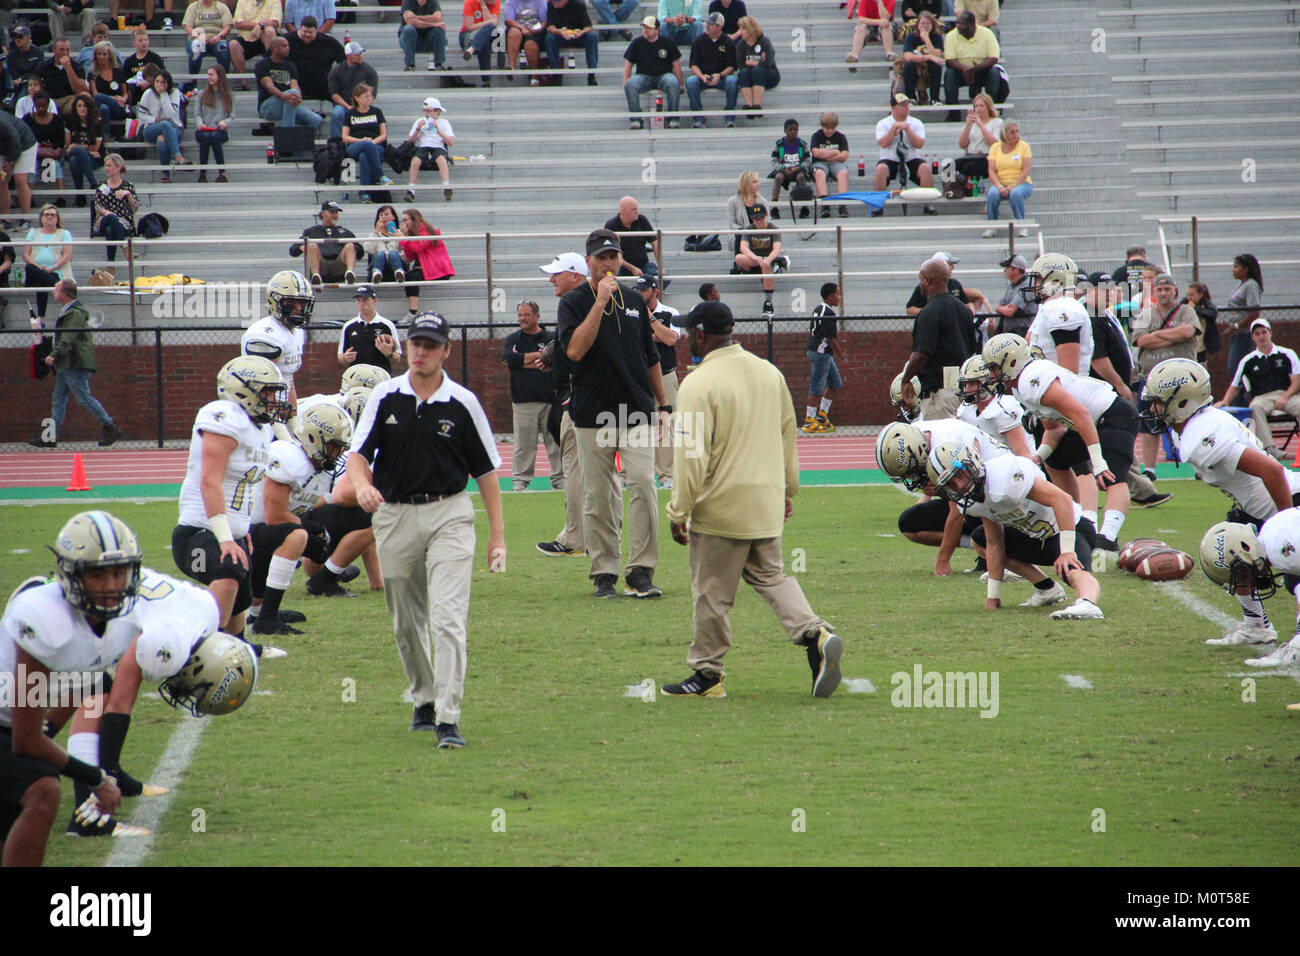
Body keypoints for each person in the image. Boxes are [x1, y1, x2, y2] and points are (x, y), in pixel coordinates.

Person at [661, 299, 843, 699]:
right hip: (764, 500)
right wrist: (786, 490)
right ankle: (814, 634)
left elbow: (692, 456)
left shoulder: (697, 383)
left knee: (712, 592)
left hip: (720, 506)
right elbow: (787, 436)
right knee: (770, 576)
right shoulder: (768, 373)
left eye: (690, 332)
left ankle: (708, 674)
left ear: (701, 335)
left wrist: (679, 508)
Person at [347, 312, 506, 749]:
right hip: (395, 515)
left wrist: (497, 536)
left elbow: (488, 473)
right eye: (416, 343)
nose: (420, 351)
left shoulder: (463, 403)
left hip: (449, 514)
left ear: (446, 351)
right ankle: (423, 696)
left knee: (448, 618)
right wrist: (362, 486)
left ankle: (448, 718)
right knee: (405, 620)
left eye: (430, 345)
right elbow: (359, 454)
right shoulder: (385, 396)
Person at [0, 511, 140, 864]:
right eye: (97, 574)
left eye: (117, 572)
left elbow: (85, 684)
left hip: (10, 727)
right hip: (10, 728)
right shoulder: (44, 618)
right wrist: (95, 778)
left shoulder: (120, 621)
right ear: (71, 575)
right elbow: (26, 739)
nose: (110, 586)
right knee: (42, 789)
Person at [1141, 358, 1299, 645]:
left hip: (1288, 499)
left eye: (1158, 402)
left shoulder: (1202, 434)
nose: (1152, 409)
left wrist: (1286, 520)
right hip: (1260, 505)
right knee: (1229, 550)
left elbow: (1271, 469)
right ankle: (1256, 627)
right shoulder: (1193, 427)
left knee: (1294, 565)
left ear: (1182, 401)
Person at [557, 227, 669, 599]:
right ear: (588, 261)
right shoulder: (573, 302)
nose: (608, 264)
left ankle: (640, 570)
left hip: (635, 409)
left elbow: (650, 357)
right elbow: (574, 351)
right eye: (601, 258)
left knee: (642, 484)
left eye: (613, 257)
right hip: (592, 413)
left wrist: (664, 404)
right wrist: (599, 303)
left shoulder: (636, 300)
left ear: (621, 259)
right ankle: (604, 571)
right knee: (597, 495)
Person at [982, 332, 1137, 553]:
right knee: (1055, 459)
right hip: (1087, 422)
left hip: (1112, 414)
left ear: (1012, 362)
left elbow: (1080, 414)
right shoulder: (1019, 387)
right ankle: (1078, 519)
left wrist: (1097, 461)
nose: (991, 374)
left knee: (1112, 474)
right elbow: (1054, 429)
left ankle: (1107, 538)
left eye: (994, 368)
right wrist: (1036, 459)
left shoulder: (1031, 379)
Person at [173, 355, 288, 643]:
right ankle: (205, 645)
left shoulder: (260, 428)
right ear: (242, 389)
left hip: (229, 532)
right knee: (230, 567)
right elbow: (210, 481)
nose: (273, 399)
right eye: (267, 391)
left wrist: (242, 529)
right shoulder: (223, 415)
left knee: (243, 594)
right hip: (197, 532)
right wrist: (225, 538)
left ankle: (239, 648)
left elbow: (243, 485)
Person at [928, 438, 1105, 620]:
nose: (959, 486)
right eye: (951, 484)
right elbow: (994, 542)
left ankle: (1087, 603)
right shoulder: (971, 502)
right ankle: (1047, 589)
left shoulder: (1005, 476)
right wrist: (993, 596)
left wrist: (1067, 551)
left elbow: (1062, 499)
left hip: (1070, 527)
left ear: (972, 462)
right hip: (1036, 536)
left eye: (959, 476)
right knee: (979, 539)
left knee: (1072, 570)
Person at [246, 402, 354, 634]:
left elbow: (300, 510)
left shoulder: (319, 470)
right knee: (297, 536)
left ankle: (258, 614)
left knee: (305, 535)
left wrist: (317, 532)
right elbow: (274, 516)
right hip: (245, 532)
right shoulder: (289, 457)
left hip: (261, 531)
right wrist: (310, 530)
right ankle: (266, 618)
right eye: (335, 446)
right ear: (315, 439)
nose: (340, 452)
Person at [535, 251, 604, 558]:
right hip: (599, 398)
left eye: (557, 273)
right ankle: (601, 538)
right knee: (601, 474)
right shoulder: (599, 301)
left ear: (576, 275)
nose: (551, 278)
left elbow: (578, 346)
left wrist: (568, 392)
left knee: (576, 470)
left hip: (580, 401)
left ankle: (576, 537)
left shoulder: (576, 303)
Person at [26, 280, 123, 448]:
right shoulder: (69, 312)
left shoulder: (75, 314)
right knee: (58, 400)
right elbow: (62, 337)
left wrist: (53, 355)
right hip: (66, 363)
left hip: (74, 363)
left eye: (57, 290)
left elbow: (68, 338)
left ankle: (110, 426)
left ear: (65, 293)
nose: (54, 292)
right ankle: (51, 437)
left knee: (84, 397)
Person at [1201, 515, 1300, 669]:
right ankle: (1256, 625)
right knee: (1293, 579)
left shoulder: (1283, 548)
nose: (1245, 584)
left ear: (1246, 547)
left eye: (1241, 575)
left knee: (1295, 581)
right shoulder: (1271, 534)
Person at [1130, 273, 1201, 474]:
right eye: (1159, 289)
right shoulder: (1146, 314)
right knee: (1149, 424)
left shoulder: (1186, 311)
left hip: (1182, 376)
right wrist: (1173, 337)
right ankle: (1150, 470)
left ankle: (1197, 466)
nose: (1163, 293)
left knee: (1188, 421)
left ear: (1174, 291)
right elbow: (1141, 341)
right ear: (1154, 292)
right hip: (1152, 377)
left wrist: (1156, 336)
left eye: (1167, 289)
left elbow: (1187, 332)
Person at [900, 257, 977, 420]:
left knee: (942, 442)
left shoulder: (929, 312)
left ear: (927, 280)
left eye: (921, 279)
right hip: (964, 389)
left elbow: (921, 354)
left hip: (939, 391)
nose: (920, 283)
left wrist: (906, 379)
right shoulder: (963, 309)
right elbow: (971, 349)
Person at [1216, 318, 1300, 462]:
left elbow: (1296, 381)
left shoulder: (1287, 354)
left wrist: (1285, 396)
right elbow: (1235, 385)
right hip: (1263, 398)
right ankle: (1270, 448)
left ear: (1270, 333)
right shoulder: (1247, 360)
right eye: (1257, 333)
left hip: (1288, 396)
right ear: (1252, 337)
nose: (1261, 336)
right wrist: (1224, 402)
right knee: (1255, 407)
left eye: (1264, 332)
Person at [502, 298, 562, 491]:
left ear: (537, 316)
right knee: (523, 445)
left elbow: (555, 359)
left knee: (555, 443)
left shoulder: (550, 337)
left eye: (527, 315)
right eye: (520, 315)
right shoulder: (513, 339)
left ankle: (560, 479)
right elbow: (510, 359)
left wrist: (523, 361)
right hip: (523, 400)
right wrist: (540, 356)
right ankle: (520, 481)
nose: (522, 318)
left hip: (550, 400)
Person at [242, 268, 314, 404]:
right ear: (274, 300)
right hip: (262, 406)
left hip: (282, 407)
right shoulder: (264, 333)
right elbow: (261, 383)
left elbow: (289, 379)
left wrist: (292, 415)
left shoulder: (297, 331)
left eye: (302, 303)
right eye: (292, 302)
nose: (298, 308)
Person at [635, 274, 680, 487]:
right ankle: (630, 474)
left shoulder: (670, 313)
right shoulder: (631, 312)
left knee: (665, 425)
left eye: (644, 290)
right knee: (634, 423)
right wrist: (655, 334)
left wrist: (650, 319)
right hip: (638, 376)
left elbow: (670, 338)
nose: (639, 293)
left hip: (664, 374)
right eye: (638, 289)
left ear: (655, 292)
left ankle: (666, 476)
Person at [90, 153, 160, 266]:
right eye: (106, 165)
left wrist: (128, 195)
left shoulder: (128, 186)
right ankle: (125, 247)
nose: (106, 168)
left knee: (110, 230)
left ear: (118, 167)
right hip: (104, 218)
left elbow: (135, 207)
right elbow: (97, 205)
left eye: (110, 166)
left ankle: (111, 264)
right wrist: (107, 213)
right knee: (111, 218)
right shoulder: (102, 185)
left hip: (123, 221)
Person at [622, 15, 682, 129]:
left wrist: (680, 83)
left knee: (673, 82)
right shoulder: (637, 43)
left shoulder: (667, 42)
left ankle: (673, 119)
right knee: (630, 84)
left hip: (663, 76)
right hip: (643, 77)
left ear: (657, 29)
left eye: (648, 28)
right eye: (644, 27)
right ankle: (636, 120)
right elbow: (628, 64)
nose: (645, 30)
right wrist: (625, 82)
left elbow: (676, 64)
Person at [256, 34, 323, 129]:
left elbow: (294, 86)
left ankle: (298, 142)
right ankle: (288, 135)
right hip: (268, 106)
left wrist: (297, 96)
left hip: (289, 101)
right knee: (292, 94)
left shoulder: (290, 66)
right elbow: (269, 86)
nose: (288, 48)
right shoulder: (262, 64)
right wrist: (285, 96)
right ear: (274, 48)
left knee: (316, 120)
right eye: (284, 46)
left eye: (288, 46)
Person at [803, 282, 845, 434]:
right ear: (831, 296)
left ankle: (821, 415)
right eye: (838, 294)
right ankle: (809, 421)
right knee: (817, 387)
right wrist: (841, 355)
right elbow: (831, 338)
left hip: (823, 352)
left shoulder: (818, 309)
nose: (839, 297)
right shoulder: (828, 313)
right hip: (821, 353)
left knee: (835, 384)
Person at [398, 206, 455, 317]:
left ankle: (412, 312)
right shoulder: (412, 236)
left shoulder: (429, 232)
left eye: (406, 220)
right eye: (402, 220)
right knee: (409, 276)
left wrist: (403, 239)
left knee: (412, 277)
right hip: (423, 269)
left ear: (415, 220)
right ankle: (412, 312)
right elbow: (410, 257)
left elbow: (418, 247)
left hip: (438, 270)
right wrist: (405, 238)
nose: (403, 223)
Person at [943, 10, 1005, 109]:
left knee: (994, 72)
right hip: (960, 71)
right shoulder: (951, 35)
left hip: (982, 69)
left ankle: (991, 108)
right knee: (949, 74)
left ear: (971, 24)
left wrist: (978, 68)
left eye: (961, 24)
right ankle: (953, 112)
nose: (958, 26)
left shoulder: (987, 33)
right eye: (957, 23)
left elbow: (994, 57)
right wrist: (964, 69)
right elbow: (949, 60)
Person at [872, 92, 934, 192]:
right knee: (881, 169)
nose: (907, 108)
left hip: (911, 158)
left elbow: (919, 144)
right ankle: (878, 205)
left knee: (925, 168)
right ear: (893, 107)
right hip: (890, 159)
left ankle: (928, 204)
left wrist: (908, 130)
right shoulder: (883, 123)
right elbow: (883, 144)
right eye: (903, 105)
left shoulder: (916, 123)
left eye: (907, 105)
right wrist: (893, 130)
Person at [733, 203, 787, 317]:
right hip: (753, 261)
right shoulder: (749, 229)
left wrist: (768, 259)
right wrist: (756, 258)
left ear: (766, 216)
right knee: (738, 258)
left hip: (767, 261)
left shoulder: (773, 228)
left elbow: (777, 248)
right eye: (755, 219)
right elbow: (743, 247)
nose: (759, 221)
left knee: (766, 265)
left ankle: (768, 302)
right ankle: (776, 262)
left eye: (761, 218)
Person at [292, 200, 361, 288]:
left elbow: (360, 252)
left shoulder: (344, 232)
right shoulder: (311, 231)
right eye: (332, 212)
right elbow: (293, 251)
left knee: (350, 246)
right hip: (321, 265)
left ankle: (349, 274)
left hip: (339, 265)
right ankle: (316, 276)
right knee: (311, 245)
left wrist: (351, 249)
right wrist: (305, 247)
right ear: (323, 214)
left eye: (336, 212)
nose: (335, 215)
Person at [341, 84, 390, 203]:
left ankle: (365, 194)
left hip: (376, 145)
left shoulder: (377, 112)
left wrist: (371, 143)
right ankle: (380, 176)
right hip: (355, 145)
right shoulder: (350, 113)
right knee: (365, 147)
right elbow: (345, 137)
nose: (369, 99)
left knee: (364, 156)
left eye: (370, 96)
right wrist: (362, 141)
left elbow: (383, 135)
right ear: (357, 98)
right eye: (366, 96)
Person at [136, 70, 190, 179]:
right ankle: (177, 156)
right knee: (164, 124)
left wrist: (163, 95)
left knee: (162, 139)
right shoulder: (148, 93)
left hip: (174, 127)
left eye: (162, 82)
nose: (159, 84)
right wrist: (154, 119)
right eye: (157, 81)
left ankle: (165, 174)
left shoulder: (175, 93)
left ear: (168, 84)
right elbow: (141, 114)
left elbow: (171, 114)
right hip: (152, 128)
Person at [338, 283, 402, 373]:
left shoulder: (387, 325)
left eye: (365, 300)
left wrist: (388, 353)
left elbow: (397, 358)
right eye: (358, 300)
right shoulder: (349, 326)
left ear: (375, 300)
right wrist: (345, 358)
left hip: (380, 378)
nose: (361, 304)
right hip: (357, 379)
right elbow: (340, 355)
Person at [982, 121, 1031, 237]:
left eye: (1017, 131)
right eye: (1012, 132)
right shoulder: (995, 148)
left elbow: (1026, 169)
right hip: (1001, 183)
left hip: (1021, 183)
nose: (1015, 134)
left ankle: (1021, 225)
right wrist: (999, 186)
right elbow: (992, 171)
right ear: (1005, 134)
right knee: (992, 194)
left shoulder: (1024, 146)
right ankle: (992, 226)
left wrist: (1012, 186)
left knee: (1015, 194)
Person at [684, 11, 734, 124]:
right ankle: (698, 118)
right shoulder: (699, 41)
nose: (707, 26)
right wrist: (701, 76)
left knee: (732, 81)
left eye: (711, 24)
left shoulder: (728, 42)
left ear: (719, 26)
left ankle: (730, 118)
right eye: (708, 23)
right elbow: (693, 65)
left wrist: (720, 75)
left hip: (721, 77)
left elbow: (731, 66)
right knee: (691, 82)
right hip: (703, 77)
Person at [23, 204, 72, 319]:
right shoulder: (33, 233)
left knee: (42, 281)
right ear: (41, 218)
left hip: (56, 272)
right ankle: (59, 287)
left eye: (53, 215)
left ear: (57, 218)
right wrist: (39, 267)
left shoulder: (64, 234)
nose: (49, 217)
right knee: (30, 267)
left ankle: (41, 319)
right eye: (46, 214)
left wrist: (53, 268)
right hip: (35, 271)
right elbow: (25, 255)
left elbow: (66, 256)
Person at [1223, 253, 1264, 388]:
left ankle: (1242, 400)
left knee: (1237, 369)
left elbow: (1254, 312)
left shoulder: (1251, 285)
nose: (1233, 270)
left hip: (1244, 333)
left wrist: (1235, 325)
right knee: (1234, 369)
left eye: (1236, 267)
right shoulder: (1242, 285)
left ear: (1246, 269)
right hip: (1237, 333)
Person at [403, 96, 453, 202]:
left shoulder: (444, 122)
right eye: (425, 111)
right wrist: (418, 129)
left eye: (429, 111)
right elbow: (411, 140)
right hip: (423, 146)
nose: (426, 114)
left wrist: (438, 131)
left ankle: (446, 186)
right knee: (415, 162)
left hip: (438, 146)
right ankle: (411, 190)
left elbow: (451, 142)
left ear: (437, 111)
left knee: (441, 160)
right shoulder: (420, 121)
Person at [327, 40, 379, 140]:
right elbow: (334, 94)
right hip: (343, 105)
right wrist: (348, 106)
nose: (360, 56)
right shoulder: (336, 70)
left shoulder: (369, 70)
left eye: (361, 53)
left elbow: (373, 93)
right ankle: (336, 144)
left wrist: (361, 105)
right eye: (357, 54)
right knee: (337, 113)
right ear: (348, 55)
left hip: (363, 104)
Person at [287, 15, 344, 102]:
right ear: (299, 28)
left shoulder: (328, 42)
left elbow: (344, 61)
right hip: (293, 85)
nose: (307, 35)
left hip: (322, 86)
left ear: (316, 31)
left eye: (310, 33)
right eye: (304, 32)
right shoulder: (286, 40)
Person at [194, 65, 234, 183]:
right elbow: (197, 114)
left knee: (214, 137)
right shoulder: (202, 94)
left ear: (219, 76)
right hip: (204, 129)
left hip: (219, 130)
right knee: (206, 137)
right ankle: (203, 172)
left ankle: (221, 172)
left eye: (211, 74)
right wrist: (200, 123)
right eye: (208, 74)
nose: (209, 77)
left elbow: (232, 116)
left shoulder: (228, 96)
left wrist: (224, 122)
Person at [229, 0, 282, 87]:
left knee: (270, 31)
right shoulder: (242, 2)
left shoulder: (275, 1)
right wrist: (258, 26)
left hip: (267, 38)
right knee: (233, 44)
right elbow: (238, 24)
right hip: (248, 37)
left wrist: (260, 26)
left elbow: (275, 23)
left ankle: (272, 78)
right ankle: (242, 82)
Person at [604, 195, 659, 279]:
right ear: (623, 211)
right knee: (612, 276)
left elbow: (655, 243)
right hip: (622, 266)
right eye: (634, 210)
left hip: (643, 265)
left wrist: (661, 266)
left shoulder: (642, 220)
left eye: (637, 209)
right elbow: (617, 256)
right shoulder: (611, 226)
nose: (637, 212)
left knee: (661, 277)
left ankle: (638, 290)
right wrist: (633, 269)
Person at [546, 0, 599, 86]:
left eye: (556, 2)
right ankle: (556, 74)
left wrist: (581, 32)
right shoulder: (551, 5)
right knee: (549, 39)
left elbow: (589, 26)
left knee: (592, 37)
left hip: (578, 35)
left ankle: (591, 73)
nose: (554, 4)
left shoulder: (579, 4)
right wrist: (559, 32)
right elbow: (550, 26)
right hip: (561, 35)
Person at [24, 92, 66, 197]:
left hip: (51, 152)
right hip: (33, 153)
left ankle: (61, 197)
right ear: (34, 104)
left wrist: (51, 144)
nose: (41, 108)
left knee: (55, 165)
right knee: (32, 166)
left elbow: (62, 140)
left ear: (48, 105)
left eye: (44, 106)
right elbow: (24, 138)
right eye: (38, 106)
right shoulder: (28, 119)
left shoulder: (56, 119)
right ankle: (30, 197)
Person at [810, 110, 851, 219]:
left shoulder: (840, 137)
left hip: (836, 164)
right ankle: (824, 204)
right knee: (819, 173)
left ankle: (842, 205)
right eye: (827, 128)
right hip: (819, 164)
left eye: (832, 128)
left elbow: (844, 156)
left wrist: (825, 155)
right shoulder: (817, 136)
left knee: (843, 173)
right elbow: (815, 153)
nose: (829, 131)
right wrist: (834, 152)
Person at [734, 14, 777, 117]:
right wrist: (759, 61)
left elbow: (768, 62)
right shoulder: (741, 44)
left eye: (743, 29)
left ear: (750, 29)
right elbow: (741, 64)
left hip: (769, 74)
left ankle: (757, 105)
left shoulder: (764, 41)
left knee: (758, 70)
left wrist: (752, 63)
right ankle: (749, 105)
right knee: (743, 72)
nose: (740, 32)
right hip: (749, 74)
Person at [899, 10, 944, 104]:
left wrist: (927, 39)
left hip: (929, 66)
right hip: (916, 64)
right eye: (922, 23)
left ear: (932, 25)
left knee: (936, 65)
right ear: (918, 25)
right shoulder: (911, 37)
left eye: (928, 23)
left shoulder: (936, 37)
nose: (925, 26)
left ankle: (934, 99)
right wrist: (928, 57)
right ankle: (911, 98)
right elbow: (908, 56)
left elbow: (937, 55)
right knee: (909, 65)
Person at [767, 122, 809, 218]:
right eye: (790, 130)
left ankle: (805, 207)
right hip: (783, 169)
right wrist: (783, 168)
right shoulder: (779, 144)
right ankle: (774, 207)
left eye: (795, 130)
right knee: (778, 177)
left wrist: (799, 167)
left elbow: (808, 160)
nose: (793, 132)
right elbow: (774, 161)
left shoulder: (802, 144)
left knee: (801, 177)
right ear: (785, 131)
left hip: (798, 169)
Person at [0, 110, 37, 220]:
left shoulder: (3, 123)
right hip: (4, 148)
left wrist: (10, 161)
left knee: (20, 180)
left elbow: (16, 141)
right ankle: (5, 218)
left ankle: (26, 218)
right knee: (1, 180)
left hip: (25, 144)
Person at [955, 91, 1000, 179]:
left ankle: (970, 190)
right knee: (948, 167)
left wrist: (981, 125)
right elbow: (962, 144)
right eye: (976, 106)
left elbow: (994, 144)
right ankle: (951, 191)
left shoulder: (997, 122)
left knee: (968, 168)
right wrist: (968, 125)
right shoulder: (972, 123)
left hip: (986, 158)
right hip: (969, 156)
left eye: (982, 106)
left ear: (988, 108)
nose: (979, 109)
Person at [38, 37, 89, 114]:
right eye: (61, 50)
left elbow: (80, 90)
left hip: (68, 100)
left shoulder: (77, 67)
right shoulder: (43, 66)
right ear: (54, 50)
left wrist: (68, 68)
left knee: (81, 99)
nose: (65, 53)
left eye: (67, 50)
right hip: (49, 100)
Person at [183, 0, 234, 76]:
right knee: (196, 46)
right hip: (197, 39)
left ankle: (223, 78)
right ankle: (193, 80)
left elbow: (228, 26)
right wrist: (198, 36)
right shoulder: (193, 7)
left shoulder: (222, 7)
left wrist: (219, 37)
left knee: (222, 46)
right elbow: (187, 26)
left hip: (217, 39)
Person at [87, 41, 129, 131]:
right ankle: (107, 137)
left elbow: (125, 93)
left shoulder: (118, 72)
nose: (101, 57)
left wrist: (123, 99)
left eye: (104, 54)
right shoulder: (92, 73)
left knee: (103, 103)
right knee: (103, 107)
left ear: (109, 55)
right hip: (100, 106)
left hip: (118, 106)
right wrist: (114, 98)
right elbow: (95, 95)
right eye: (99, 54)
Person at [992, 253, 1035, 337]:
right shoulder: (1011, 284)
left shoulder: (1028, 285)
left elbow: (1010, 311)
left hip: (1023, 331)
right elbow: (998, 306)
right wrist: (1001, 308)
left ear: (1015, 269)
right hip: (1011, 331)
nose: (1004, 270)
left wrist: (1001, 308)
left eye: (1007, 267)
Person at [401, 0, 450, 74]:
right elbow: (410, 21)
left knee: (439, 29)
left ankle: (439, 64)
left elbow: (438, 18)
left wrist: (416, 17)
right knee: (409, 29)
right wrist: (432, 23)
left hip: (427, 38)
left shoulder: (433, 2)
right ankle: (410, 65)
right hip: (409, 40)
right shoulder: (407, 1)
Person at [503, 0, 547, 81]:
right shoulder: (510, 2)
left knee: (530, 45)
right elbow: (509, 20)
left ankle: (534, 76)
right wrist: (522, 28)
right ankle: (511, 67)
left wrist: (539, 29)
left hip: (535, 31)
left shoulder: (540, 2)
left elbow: (544, 21)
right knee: (514, 32)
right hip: (517, 28)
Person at [460, 0, 501, 86]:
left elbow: (493, 26)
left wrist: (483, 5)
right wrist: (488, 24)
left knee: (487, 33)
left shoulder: (496, 2)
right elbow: (469, 27)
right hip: (468, 36)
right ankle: (486, 81)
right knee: (484, 39)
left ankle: (472, 49)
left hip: (486, 37)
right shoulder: (470, 2)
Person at [845, 0, 895, 67]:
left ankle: (889, 54)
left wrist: (879, 2)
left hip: (884, 25)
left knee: (886, 26)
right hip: (870, 23)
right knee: (860, 28)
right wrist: (878, 22)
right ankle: (854, 56)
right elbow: (861, 19)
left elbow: (885, 18)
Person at [365, 203, 406, 282]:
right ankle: (377, 274)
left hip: (394, 264)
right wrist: (376, 233)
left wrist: (401, 238)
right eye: (381, 215)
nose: (383, 217)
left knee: (393, 253)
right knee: (381, 253)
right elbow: (368, 250)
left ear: (393, 217)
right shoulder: (374, 234)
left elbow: (404, 250)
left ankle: (399, 273)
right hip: (380, 263)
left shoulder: (399, 233)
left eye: (386, 214)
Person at [1184, 281, 1218, 364]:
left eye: (1192, 295)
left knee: (1200, 361)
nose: (1189, 297)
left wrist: (1196, 308)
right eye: (1188, 295)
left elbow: (1212, 313)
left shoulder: (1207, 305)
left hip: (1201, 341)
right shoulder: (1185, 303)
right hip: (1187, 341)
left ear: (1200, 295)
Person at [727, 169, 763, 234]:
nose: (758, 184)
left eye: (758, 181)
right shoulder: (732, 202)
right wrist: (744, 230)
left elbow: (767, 223)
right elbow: (732, 224)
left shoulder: (762, 202)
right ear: (746, 184)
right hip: (740, 235)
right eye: (754, 182)